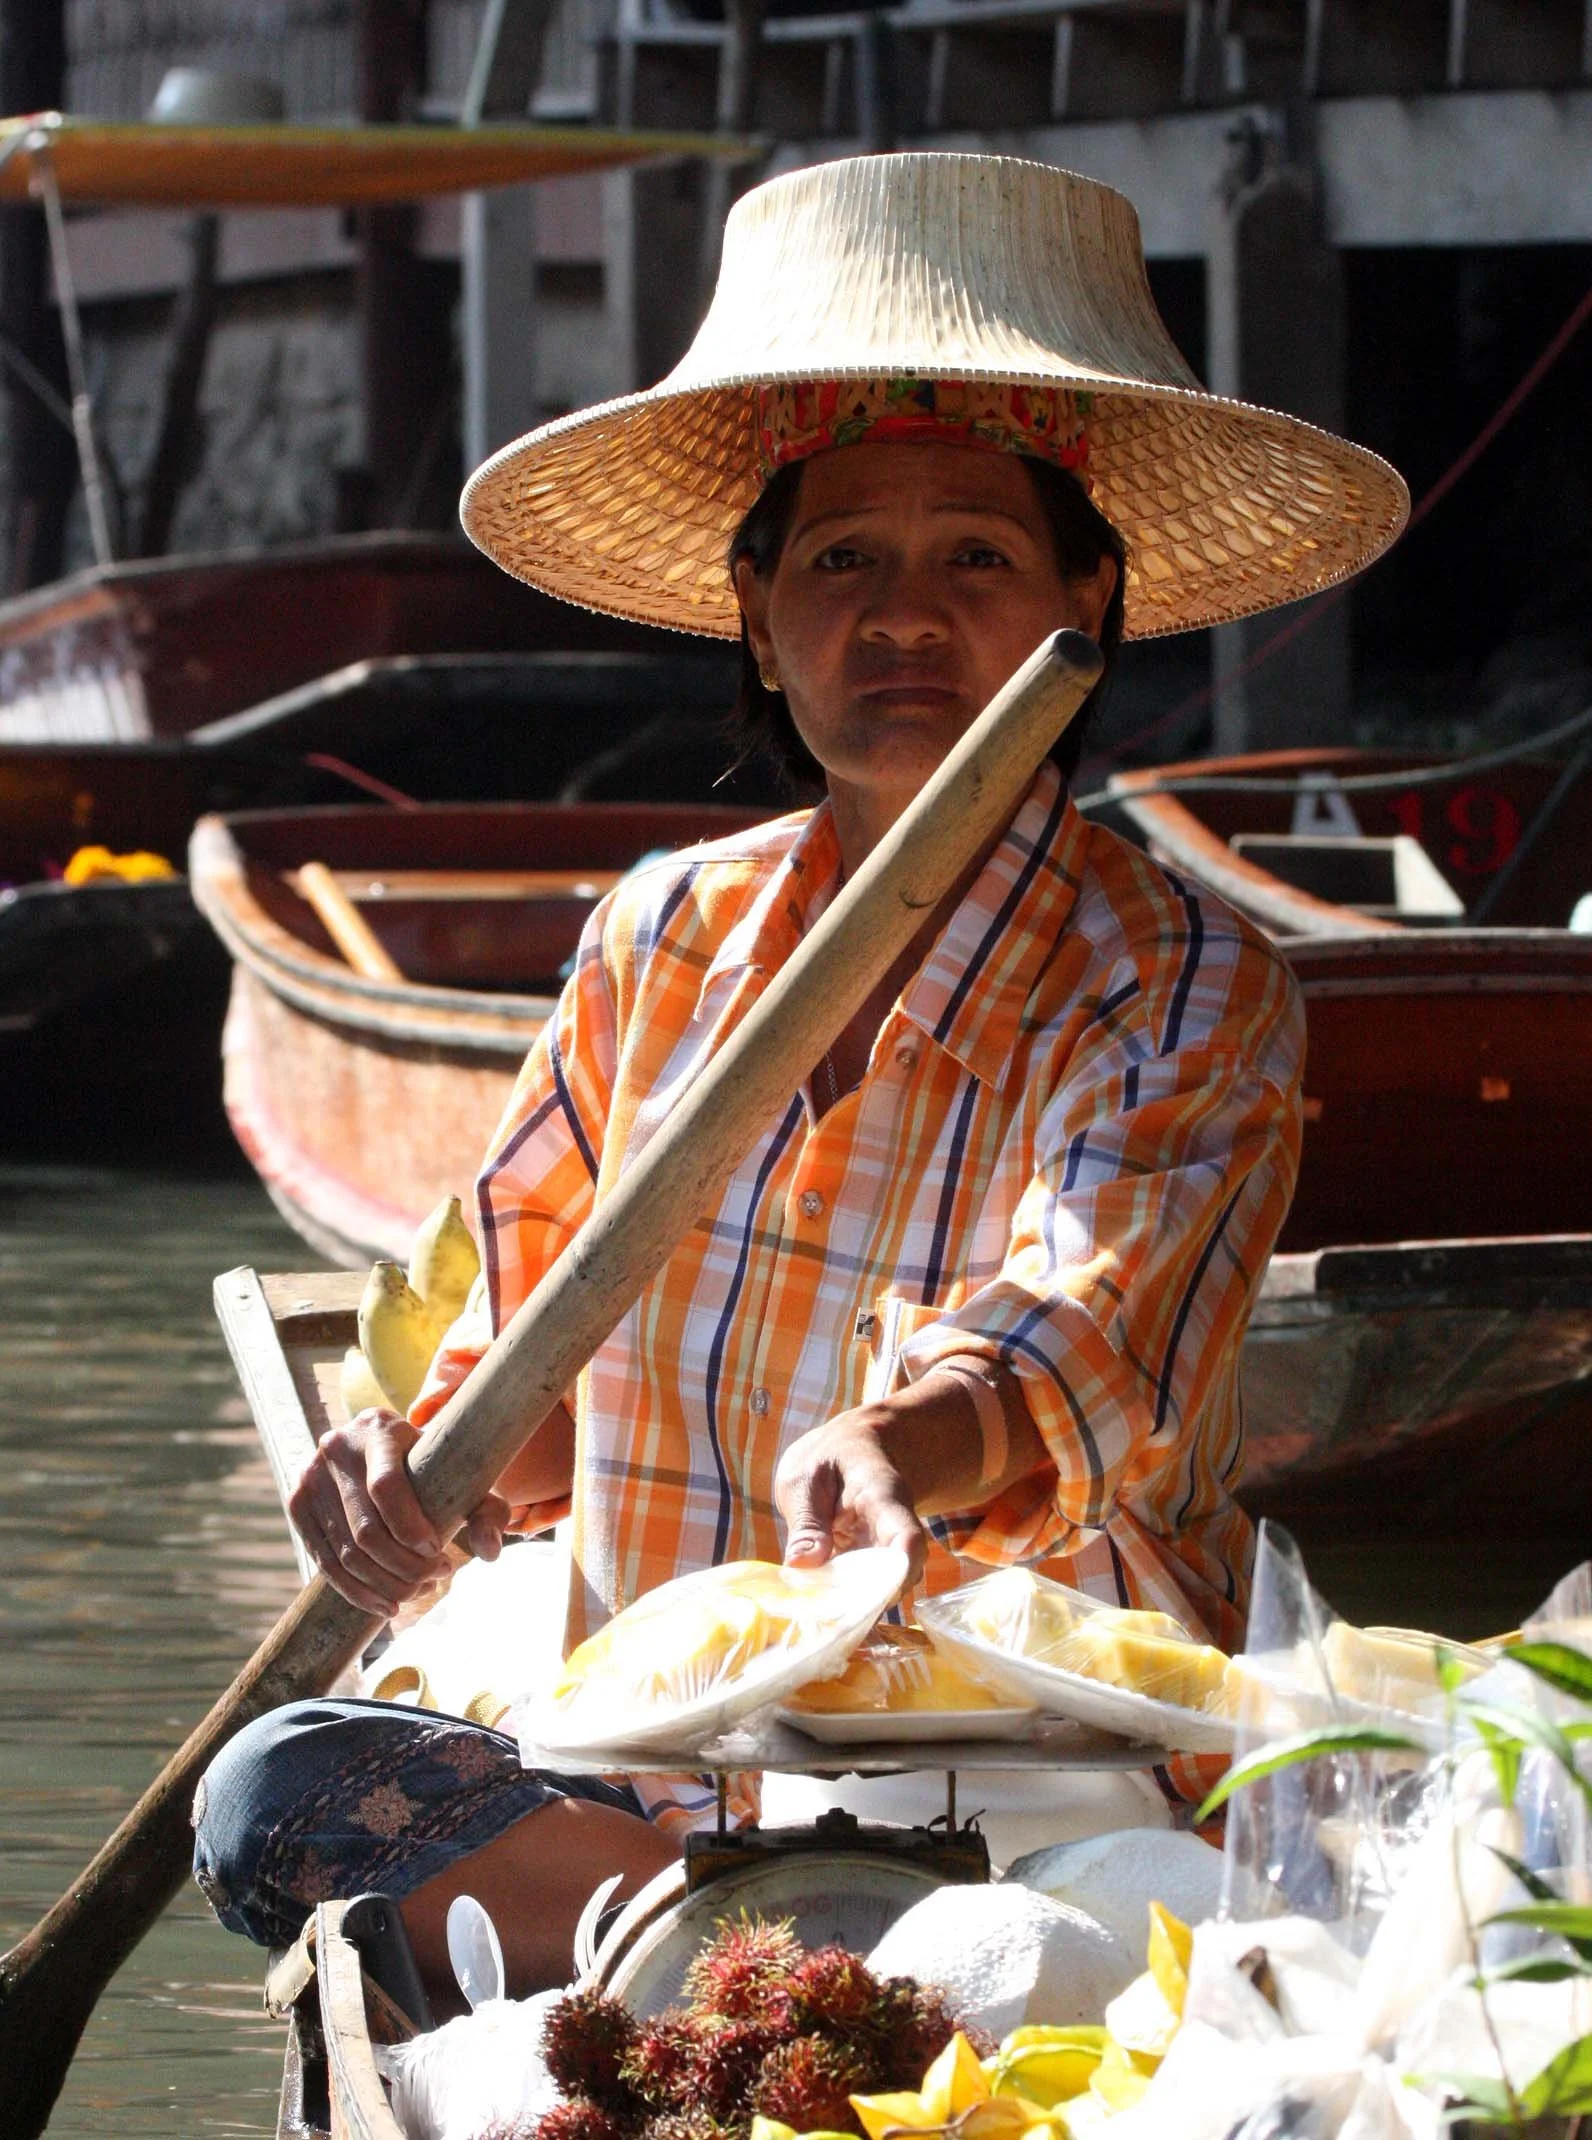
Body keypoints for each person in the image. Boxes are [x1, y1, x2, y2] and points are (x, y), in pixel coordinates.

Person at [192, 152, 1407, 1997]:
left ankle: (731, 1972)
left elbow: (1087, 1323)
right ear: (760, 613)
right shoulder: (660, 937)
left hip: (1038, 1781)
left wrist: (901, 1446)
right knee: (273, 1794)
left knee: (1068, 1914)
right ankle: (695, 1951)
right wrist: (404, 1473)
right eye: (843, 561)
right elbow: (518, 1378)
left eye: (977, 559)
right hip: (651, 1781)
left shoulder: (1180, 974)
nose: (904, 618)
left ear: (1088, 610)